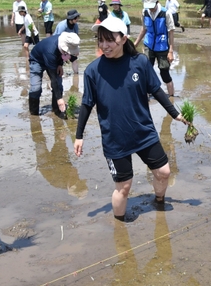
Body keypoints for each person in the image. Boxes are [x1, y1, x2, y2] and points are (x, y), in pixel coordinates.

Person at [73, 17, 187, 220]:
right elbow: (87, 104)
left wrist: (175, 113)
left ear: (124, 39)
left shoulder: (140, 63)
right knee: (124, 187)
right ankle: (120, 228)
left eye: (110, 40)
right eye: (101, 40)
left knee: (164, 172)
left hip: (143, 131)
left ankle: (159, 201)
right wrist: (79, 135)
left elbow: (156, 90)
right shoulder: (93, 70)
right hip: (115, 137)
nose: (104, 45)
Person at [134, 0, 176, 97]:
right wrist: (135, 43)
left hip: (162, 46)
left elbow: (171, 32)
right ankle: (146, 95)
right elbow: (144, 29)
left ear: (157, 2)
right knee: (146, 70)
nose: (150, 9)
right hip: (149, 45)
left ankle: (171, 97)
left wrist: (171, 51)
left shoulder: (165, 13)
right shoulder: (145, 12)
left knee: (164, 72)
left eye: (152, 7)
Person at [28, 32, 80, 116]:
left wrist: (60, 64)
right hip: (37, 61)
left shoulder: (67, 40)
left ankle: (57, 110)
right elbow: (53, 79)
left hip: (53, 60)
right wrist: (59, 99)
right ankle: (34, 114)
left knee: (59, 86)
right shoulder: (50, 51)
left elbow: (65, 55)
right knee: (36, 88)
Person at [53, 9, 81, 74]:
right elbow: (58, 39)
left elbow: (76, 38)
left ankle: (76, 75)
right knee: (59, 62)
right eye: (76, 18)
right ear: (72, 19)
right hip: (59, 44)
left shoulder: (75, 25)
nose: (77, 19)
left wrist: (76, 50)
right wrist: (64, 53)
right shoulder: (62, 26)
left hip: (69, 44)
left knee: (74, 59)